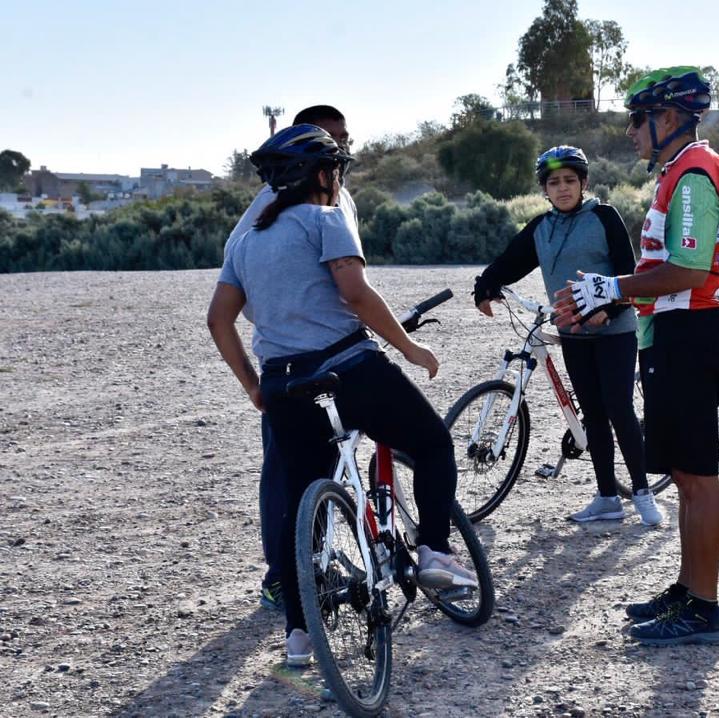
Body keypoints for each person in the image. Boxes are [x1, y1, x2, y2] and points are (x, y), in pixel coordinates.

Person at [207, 124, 475, 665]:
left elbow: (219, 320)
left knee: (300, 501)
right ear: (324, 175)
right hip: (348, 370)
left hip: (285, 383)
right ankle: (435, 553)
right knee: (431, 445)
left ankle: (299, 635)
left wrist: (254, 386)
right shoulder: (326, 218)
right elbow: (354, 293)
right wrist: (407, 349)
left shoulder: (246, 242)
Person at [553, 67, 719, 645]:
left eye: (637, 120)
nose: (630, 131)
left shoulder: (693, 174)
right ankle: (689, 589)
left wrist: (611, 288)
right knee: (683, 474)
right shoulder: (677, 173)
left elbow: (687, 268)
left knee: (699, 478)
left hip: (691, 332)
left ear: (667, 119)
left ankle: (705, 607)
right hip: (674, 335)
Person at [473, 146, 662, 526]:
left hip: (616, 329)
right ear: (544, 188)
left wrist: (609, 310)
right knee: (592, 414)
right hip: (572, 331)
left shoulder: (604, 217)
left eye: (570, 181)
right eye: (554, 183)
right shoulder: (541, 228)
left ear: (584, 183)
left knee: (618, 409)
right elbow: (509, 262)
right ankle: (607, 497)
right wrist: (485, 286)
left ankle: (641, 493)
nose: (562, 189)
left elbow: (629, 272)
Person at [224, 105, 354, 613]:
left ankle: (314, 562)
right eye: (332, 138)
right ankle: (282, 577)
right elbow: (235, 276)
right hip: (293, 359)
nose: (343, 147)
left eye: (345, 137)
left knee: (327, 464)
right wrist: (285, 322)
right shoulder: (270, 202)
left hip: (335, 353)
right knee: (285, 472)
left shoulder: (336, 195)